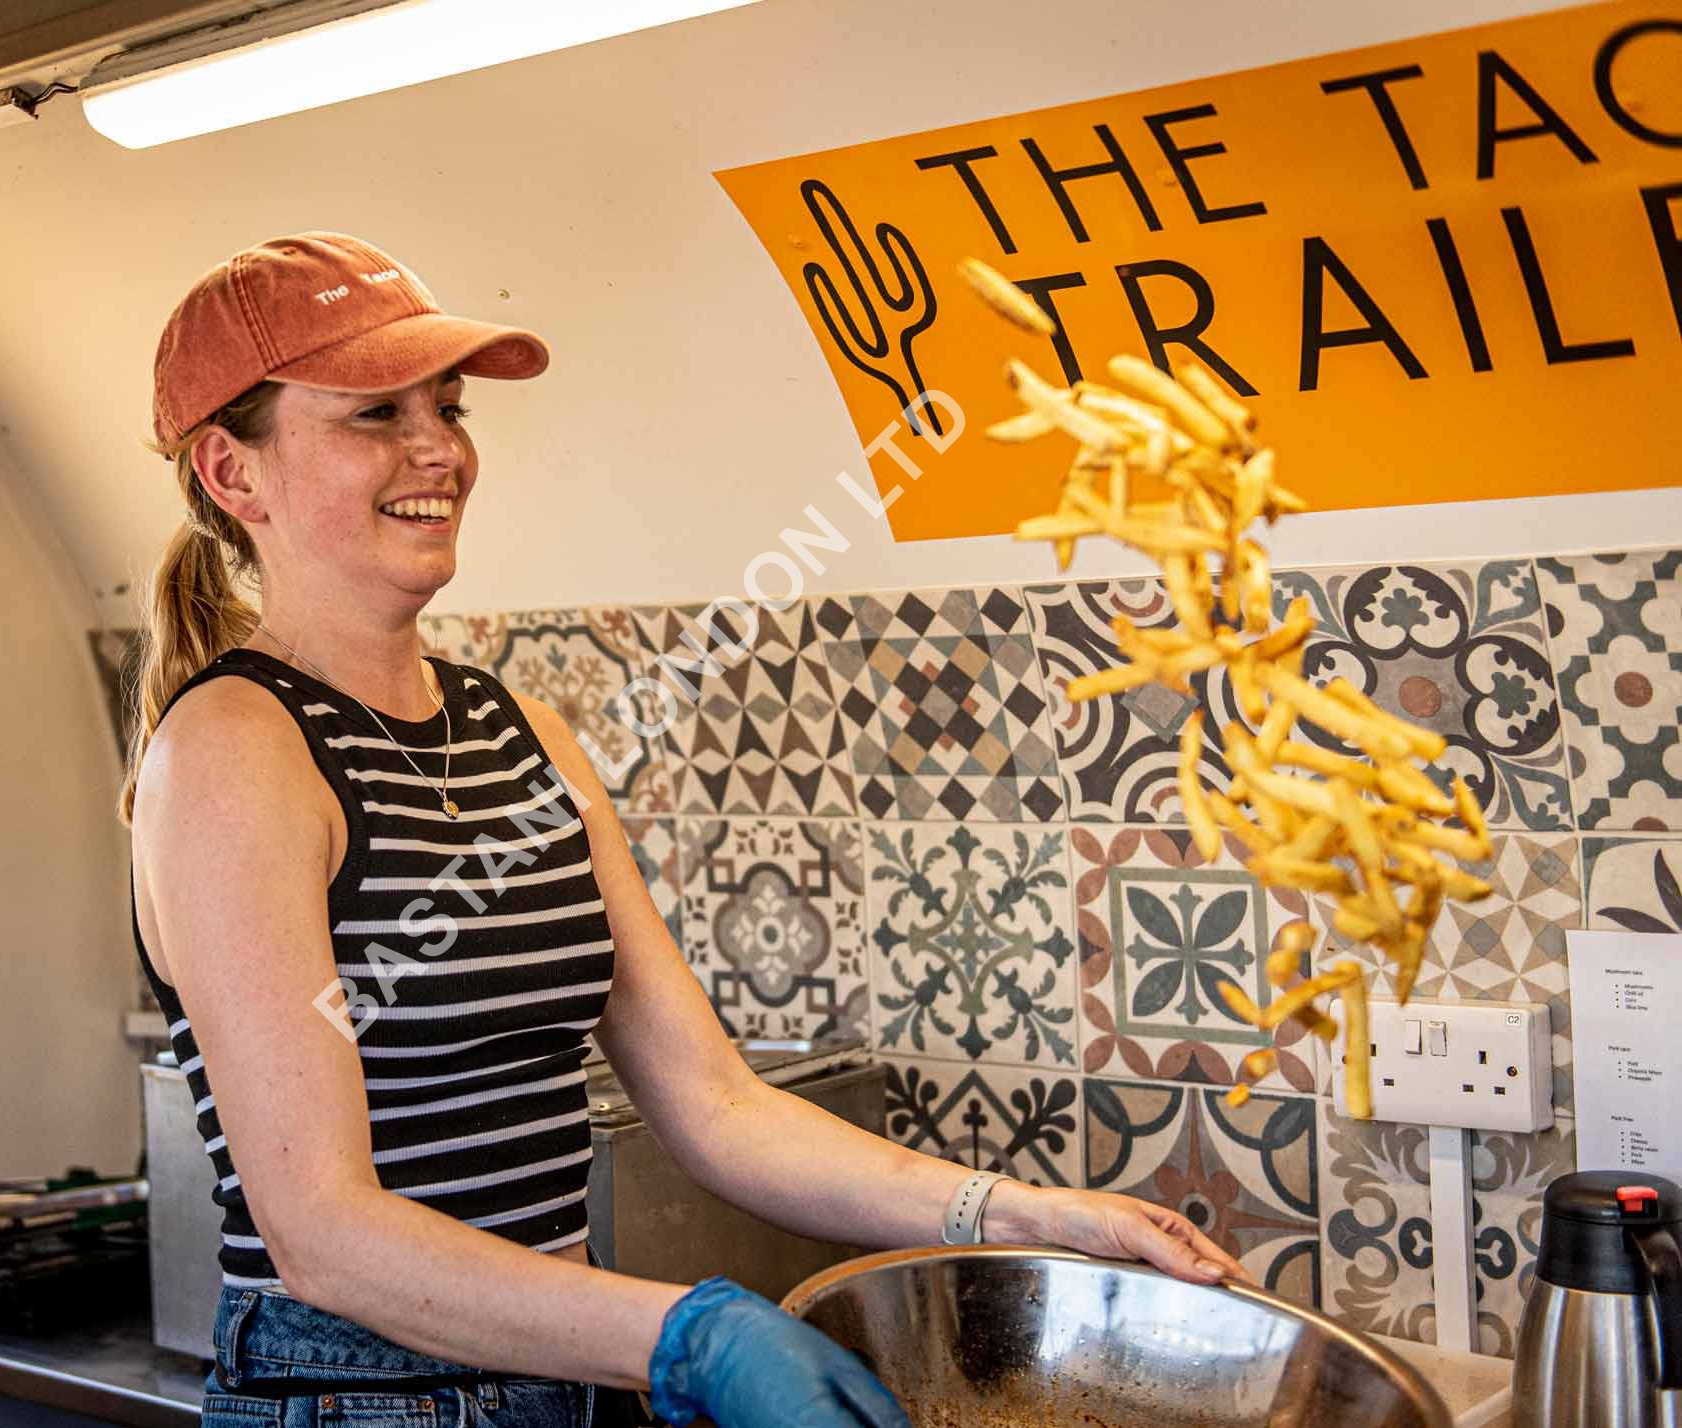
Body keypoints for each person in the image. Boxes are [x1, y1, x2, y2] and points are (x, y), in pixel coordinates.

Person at [118, 232, 1249, 1428]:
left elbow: (717, 1108)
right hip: (356, 1400)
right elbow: (323, 1235)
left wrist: (1030, 1217)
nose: (438, 448)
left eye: (446, 407)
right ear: (233, 474)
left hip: (567, 1372)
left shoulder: (525, 734)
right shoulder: (233, 750)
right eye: (372, 415)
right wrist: (690, 1334)